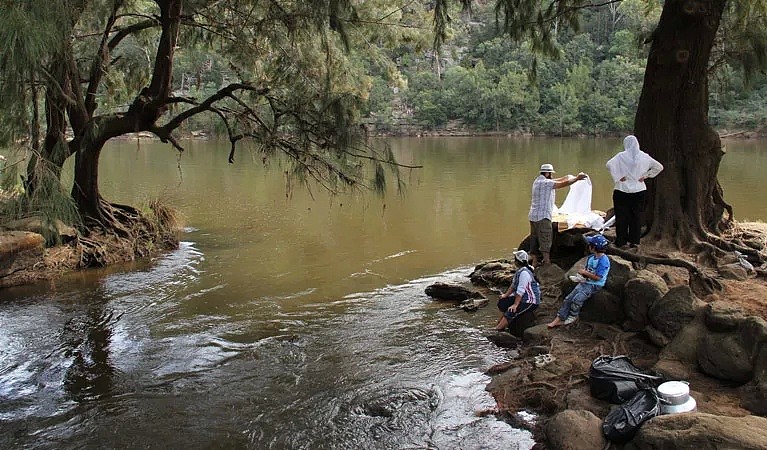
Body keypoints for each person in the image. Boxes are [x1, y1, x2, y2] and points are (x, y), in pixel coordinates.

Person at [605, 135, 664, 250]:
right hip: (639, 190)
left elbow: (608, 165)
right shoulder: (644, 157)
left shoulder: (621, 156)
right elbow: (659, 167)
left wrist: (618, 176)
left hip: (622, 190)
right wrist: (646, 176)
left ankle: (621, 241)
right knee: (636, 216)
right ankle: (634, 241)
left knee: (622, 216)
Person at [528, 163, 588, 266]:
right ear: (547, 173)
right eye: (551, 173)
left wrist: (566, 177)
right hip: (542, 217)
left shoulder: (538, 181)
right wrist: (577, 178)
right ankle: (546, 261)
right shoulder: (546, 183)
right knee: (545, 238)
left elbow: (557, 181)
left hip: (533, 216)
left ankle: (534, 261)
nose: (552, 175)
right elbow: (561, 184)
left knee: (534, 238)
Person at [547, 233, 611, 328]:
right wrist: (582, 275)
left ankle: (573, 316)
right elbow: (588, 270)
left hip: (594, 284)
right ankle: (560, 317)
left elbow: (598, 277)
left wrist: (585, 273)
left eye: (590, 245)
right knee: (568, 299)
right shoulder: (591, 258)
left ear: (593, 248)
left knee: (577, 300)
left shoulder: (603, 261)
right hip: (585, 281)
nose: (588, 246)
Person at [496, 250, 541, 331]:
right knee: (503, 302)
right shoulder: (520, 270)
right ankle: (501, 321)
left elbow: (521, 290)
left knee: (512, 311)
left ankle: (498, 328)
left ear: (517, 261)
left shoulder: (524, 273)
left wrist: (515, 305)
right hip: (523, 297)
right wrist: (505, 295)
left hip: (530, 301)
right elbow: (513, 286)